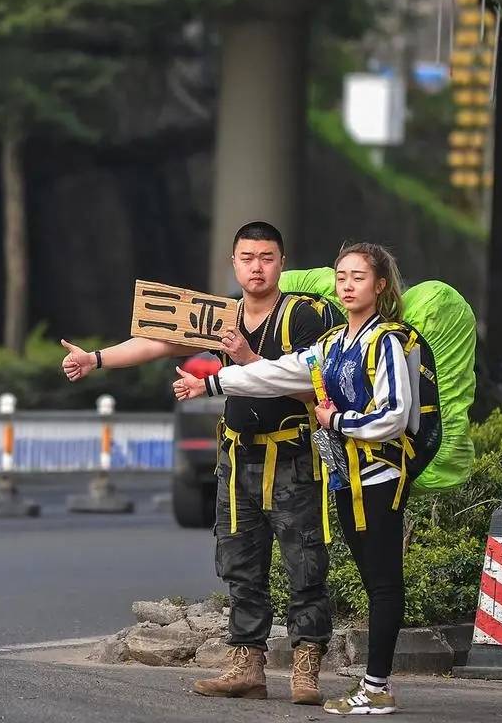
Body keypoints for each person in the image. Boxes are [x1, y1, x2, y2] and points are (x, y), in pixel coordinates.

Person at [62, 221, 332, 704]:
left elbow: (316, 387)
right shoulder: (221, 314)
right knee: (241, 564)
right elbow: (159, 341)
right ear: (233, 262)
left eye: (266, 257)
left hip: (292, 455)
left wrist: (247, 358)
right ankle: (245, 666)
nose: (256, 267)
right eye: (247, 257)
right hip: (238, 455)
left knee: (305, 564)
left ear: (282, 263)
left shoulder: (305, 316)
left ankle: (306, 669)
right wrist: (95, 359)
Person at [173, 242, 416, 716]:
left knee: (373, 582)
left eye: (358, 278)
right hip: (347, 473)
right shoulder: (333, 343)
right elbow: (275, 374)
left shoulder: (386, 339)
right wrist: (210, 384)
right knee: (369, 581)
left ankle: (372, 686)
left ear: (380, 286)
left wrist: (337, 422)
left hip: (379, 473)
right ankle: (363, 684)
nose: (347, 285)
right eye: (341, 276)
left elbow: (393, 415)